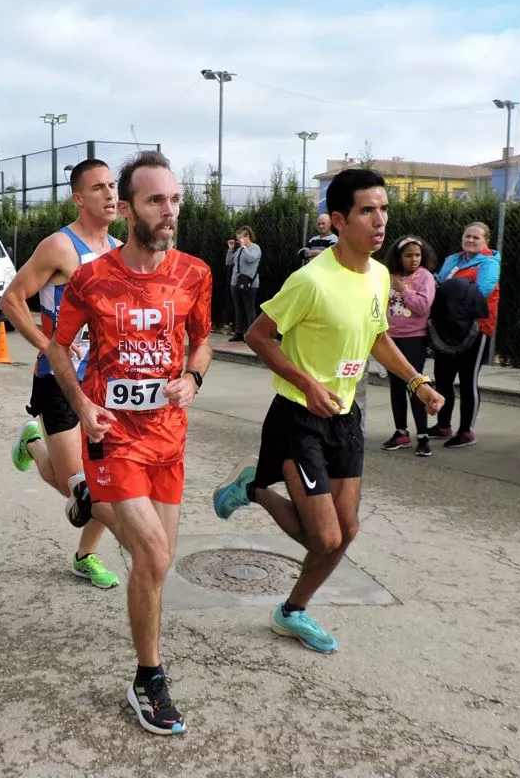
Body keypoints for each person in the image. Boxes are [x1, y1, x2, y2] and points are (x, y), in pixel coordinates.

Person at [213, 169, 444, 654]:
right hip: (299, 416)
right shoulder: (311, 280)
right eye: (367, 211)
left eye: (383, 209)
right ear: (339, 220)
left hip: (346, 416)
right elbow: (258, 336)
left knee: (347, 532)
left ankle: (291, 612)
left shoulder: (381, 275)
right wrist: (307, 383)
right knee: (323, 536)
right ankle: (254, 487)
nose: (379, 221)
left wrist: (418, 383)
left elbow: (378, 338)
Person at [47, 150, 211, 736]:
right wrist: (83, 404)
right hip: (112, 438)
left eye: (174, 199)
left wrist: (192, 377)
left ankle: (145, 669)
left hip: (169, 442)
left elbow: (203, 341)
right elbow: (58, 346)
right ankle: (151, 676)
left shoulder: (195, 273)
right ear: (127, 208)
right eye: (155, 201)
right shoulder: (93, 277)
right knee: (156, 555)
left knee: (153, 567)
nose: (169, 211)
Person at [0, 158, 123, 591]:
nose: (110, 194)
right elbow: (12, 299)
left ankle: (85, 556)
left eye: (112, 186)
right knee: (80, 491)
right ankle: (33, 444)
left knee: (109, 480)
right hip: (58, 380)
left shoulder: (119, 251)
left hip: (106, 385)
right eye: (98, 188)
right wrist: (48, 345)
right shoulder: (60, 247)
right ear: (78, 198)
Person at [429, 222, 501, 448]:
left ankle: (466, 431)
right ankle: (443, 426)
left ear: (486, 241)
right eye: (467, 236)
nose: (470, 240)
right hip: (447, 328)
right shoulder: (452, 259)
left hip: (475, 329)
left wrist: (451, 291)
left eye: (475, 237)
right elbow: (439, 283)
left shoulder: (489, 263)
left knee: (468, 380)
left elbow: (481, 293)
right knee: (443, 378)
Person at [381, 236, 437, 456]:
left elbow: (423, 306)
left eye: (417, 255)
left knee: (415, 385)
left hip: (414, 338)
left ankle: (422, 435)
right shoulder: (391, 276)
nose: (413, 259)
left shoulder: (424, 277)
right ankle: (401, 431)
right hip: (392, 338)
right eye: (408, 255)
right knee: (396, 386)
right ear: (399, 257)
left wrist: (403, 290)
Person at [225, 225, 261, 341]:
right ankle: (239, 333)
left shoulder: (255, 248)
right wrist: (230, 249)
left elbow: (251, 259)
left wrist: (244, 247)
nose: (238, 240)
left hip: (250, 284)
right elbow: (229, 262)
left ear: (247, 236)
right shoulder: (240, 249)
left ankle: (252, 335)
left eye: (239, 237)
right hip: (235, 283)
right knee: (238, 308)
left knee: (249, 308)